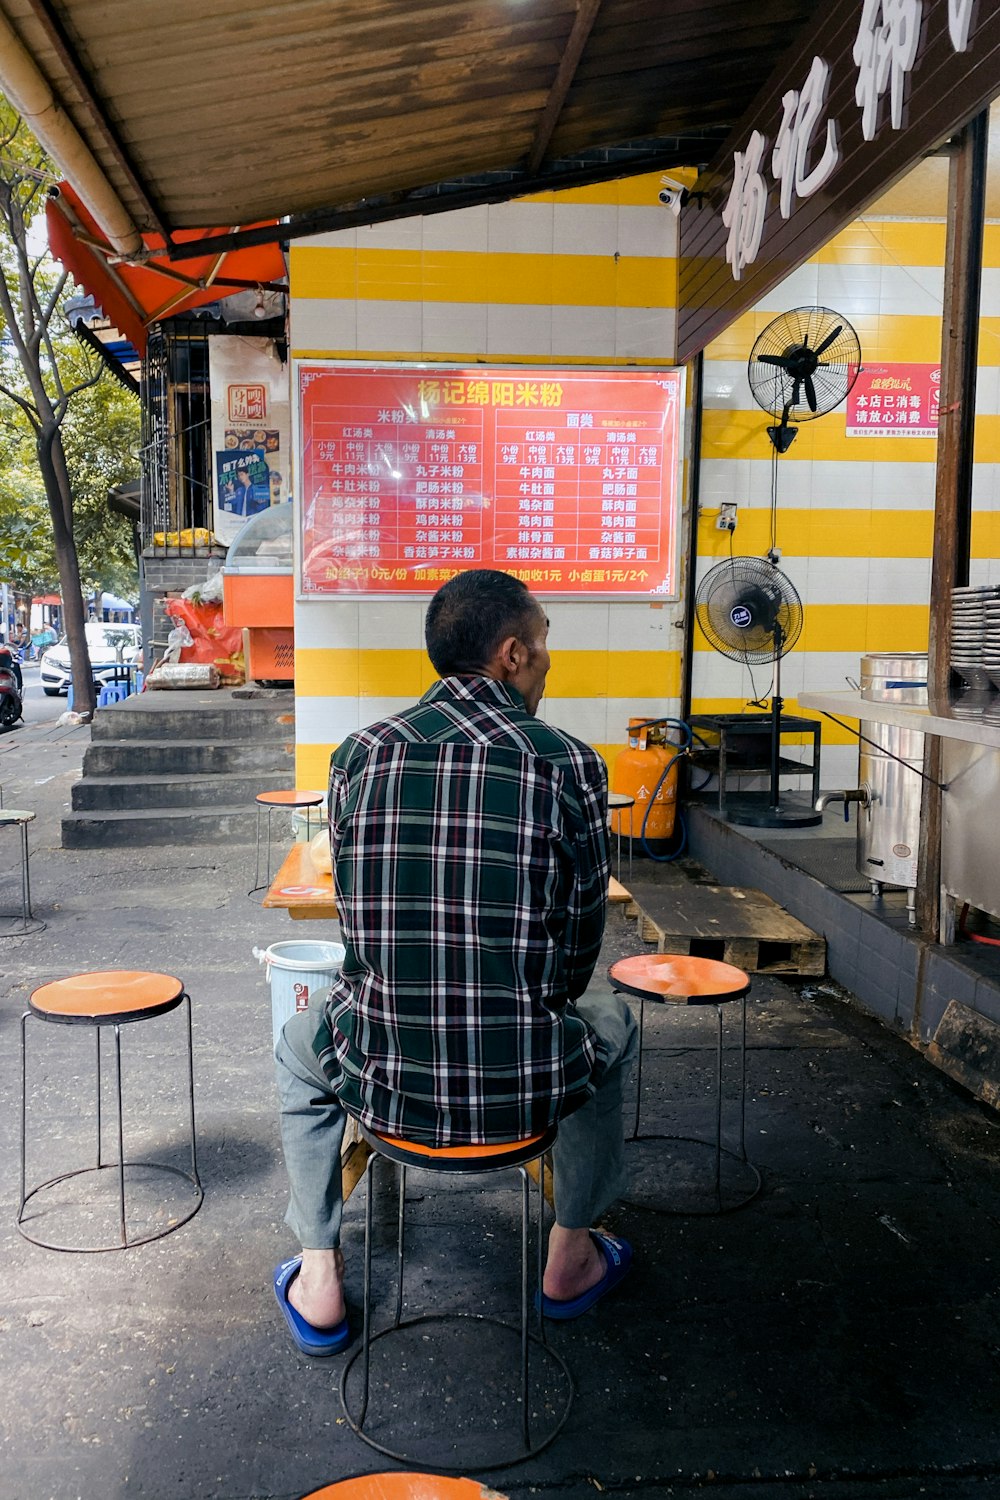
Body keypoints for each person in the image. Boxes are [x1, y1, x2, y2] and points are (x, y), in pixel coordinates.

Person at [273, 568, 638, 1355]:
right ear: (511, 654)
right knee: (610, 1016)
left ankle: (319, 1269)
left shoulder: (358, 757)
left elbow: (360, 931)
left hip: (386, 1089)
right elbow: (577, 954)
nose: (547, 663)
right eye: (542, 648)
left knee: (297, 1044)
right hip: (528, 1093)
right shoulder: (571, 764)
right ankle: (571, 1255)